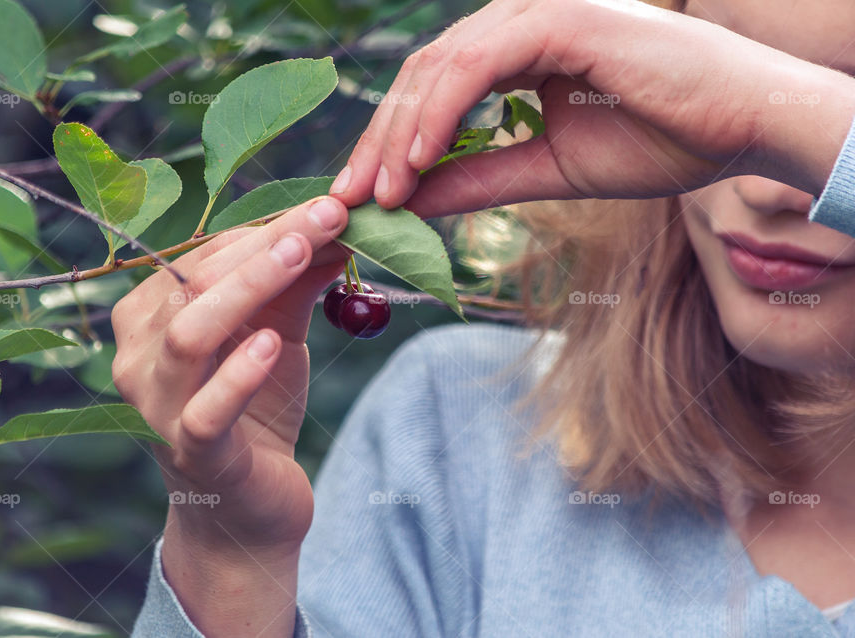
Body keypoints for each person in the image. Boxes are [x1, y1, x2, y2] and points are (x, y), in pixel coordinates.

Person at [120, 0, 855, 635]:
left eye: (822, 116)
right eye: (711, 84)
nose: (766, 192)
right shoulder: (456, 429)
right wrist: (229, 565)